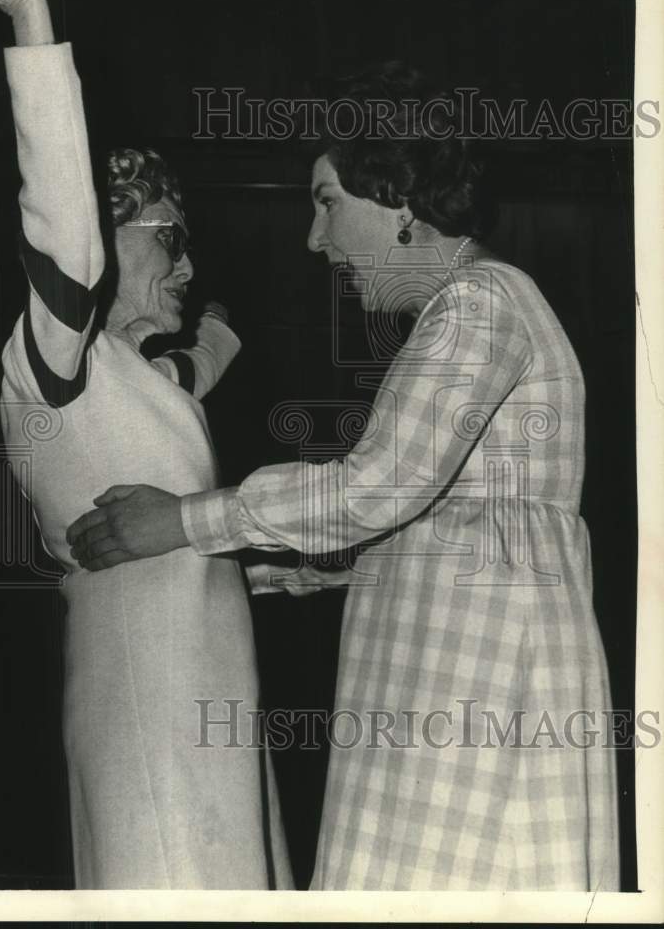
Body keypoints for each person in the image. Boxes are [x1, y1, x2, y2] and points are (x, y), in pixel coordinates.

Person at [67, 64, 621, 890]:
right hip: (456, 672)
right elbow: (458, 528)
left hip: (475, 684)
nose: (313, 241)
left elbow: (378, 486)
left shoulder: (478, 302)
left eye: (325, 202)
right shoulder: (469, 309)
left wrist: (184, 519)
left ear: (398, 199)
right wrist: (293, 576)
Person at [0, 0, 291, 890]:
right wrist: (28, 12)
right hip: (144, 692)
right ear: (105, 237)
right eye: (167, 241)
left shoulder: (149, 380)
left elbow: (206, 359)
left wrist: (218, 322)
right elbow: (60, 214)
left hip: (216, 696)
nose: (184, 263)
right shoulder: (56, 363)